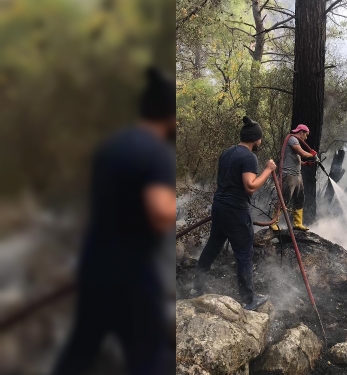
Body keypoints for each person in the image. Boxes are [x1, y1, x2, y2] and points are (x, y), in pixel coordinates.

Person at [51, 67, 176, 374]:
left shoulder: (110, 146)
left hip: (94, 263)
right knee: (148, 358)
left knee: (81, 349)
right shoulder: (156, 152)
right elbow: (159, 213)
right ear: (170, 117)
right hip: (132, 273)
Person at [195, 116, 276, 311]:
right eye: (260, 138)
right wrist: (268, 170)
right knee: (244, 253)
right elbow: (250, 186)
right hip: (236, 211)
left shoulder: (227, 152)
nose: (261, 142)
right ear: (255, 139)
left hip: (219, 207)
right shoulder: (249, 157)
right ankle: (249, 299)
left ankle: (196, 288)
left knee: (212, 247)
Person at [270, 124, 317, 232]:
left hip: (297, 175)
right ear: (301, 132)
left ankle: (297, 223)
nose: (306, 138)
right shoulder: (292, 139)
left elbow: (297, 158)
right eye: (306, 135)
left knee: (299, 199)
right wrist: (312, 155)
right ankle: (274, 223)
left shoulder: (295, 141)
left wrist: (305, 164)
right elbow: (303, 153)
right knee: (284, 199)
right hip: (289, 176)